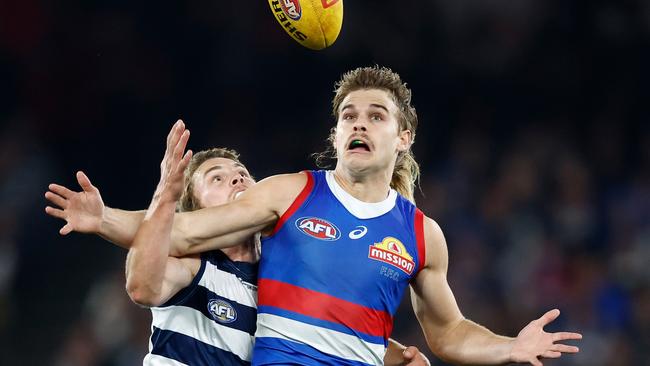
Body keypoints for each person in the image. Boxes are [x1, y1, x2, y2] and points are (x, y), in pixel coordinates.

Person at [134, 66, 582, 366]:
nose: (360, 124)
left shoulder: (422, 235)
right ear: (336, 133)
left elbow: (447, 334)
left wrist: (510, 347)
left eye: (375, 115)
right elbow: (175, 239)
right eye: (349, 116)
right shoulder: (291, 193)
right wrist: (107, 218)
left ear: (403, 137)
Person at [46, 139, 430, 365]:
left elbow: (332, 330)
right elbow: (142, 287)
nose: (237, 176)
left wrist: (397, 357)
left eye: (242, 172)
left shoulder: (282, 278)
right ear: (196, 210)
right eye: (217, 178)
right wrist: (165, 196)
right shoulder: (194, 265)